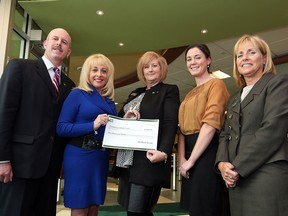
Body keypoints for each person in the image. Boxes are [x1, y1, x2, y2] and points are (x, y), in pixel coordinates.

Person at [0, 28, 75, 216]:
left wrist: (64, 163)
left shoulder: (69, 85)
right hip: (19, 165)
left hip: (50, 170)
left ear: (68, 52)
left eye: (64, 42)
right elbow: (3, 114)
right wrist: (2, 159)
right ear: (45, 44)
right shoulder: (19, 67)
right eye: (55, 39)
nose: (59, 43)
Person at [215, 34, 288, 216]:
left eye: (251, 52)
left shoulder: (277, 83)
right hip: (235, 179)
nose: (244, 58)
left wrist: (237, 167)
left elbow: (272, 129)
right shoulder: (234, 98)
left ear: (264, 58)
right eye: (239, 55)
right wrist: (222, 164)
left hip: (265, 174)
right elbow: (225, 134)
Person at [116, 51, 180, 216]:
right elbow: (119, 119)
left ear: (162, 69)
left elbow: (170, 123)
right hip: (127, 161)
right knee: (134, 210)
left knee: (136, 211)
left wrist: (164, 152)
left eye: (154, 66)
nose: (150, 70)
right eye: (146, 67)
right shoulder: (136, 93)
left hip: (148, 160)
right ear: (141, 71)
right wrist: (126, 117)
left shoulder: (169, 91)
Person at [56, 53, 118, 216]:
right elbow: (62, 128)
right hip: (80, 156)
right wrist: (92, 125)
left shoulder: (109, 101)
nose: (99, 74)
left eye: (104, 71)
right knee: (80, 207)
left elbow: (112, 129)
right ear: (87, 73)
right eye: (94, 70)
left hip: (100, 158)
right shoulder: (77, 94)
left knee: (94, 206)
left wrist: (127, 119)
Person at [178, 44, 230, 216]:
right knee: (195, 208)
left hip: (208, 152)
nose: (192, 62)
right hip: (189, 154)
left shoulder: (216, 84)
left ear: (208, 60)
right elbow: (182, 131)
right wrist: (182, 161)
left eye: (197, 57)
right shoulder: (188, 94)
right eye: (188, 59)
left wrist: (191, 160)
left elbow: (210, 124)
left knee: (207, 207)